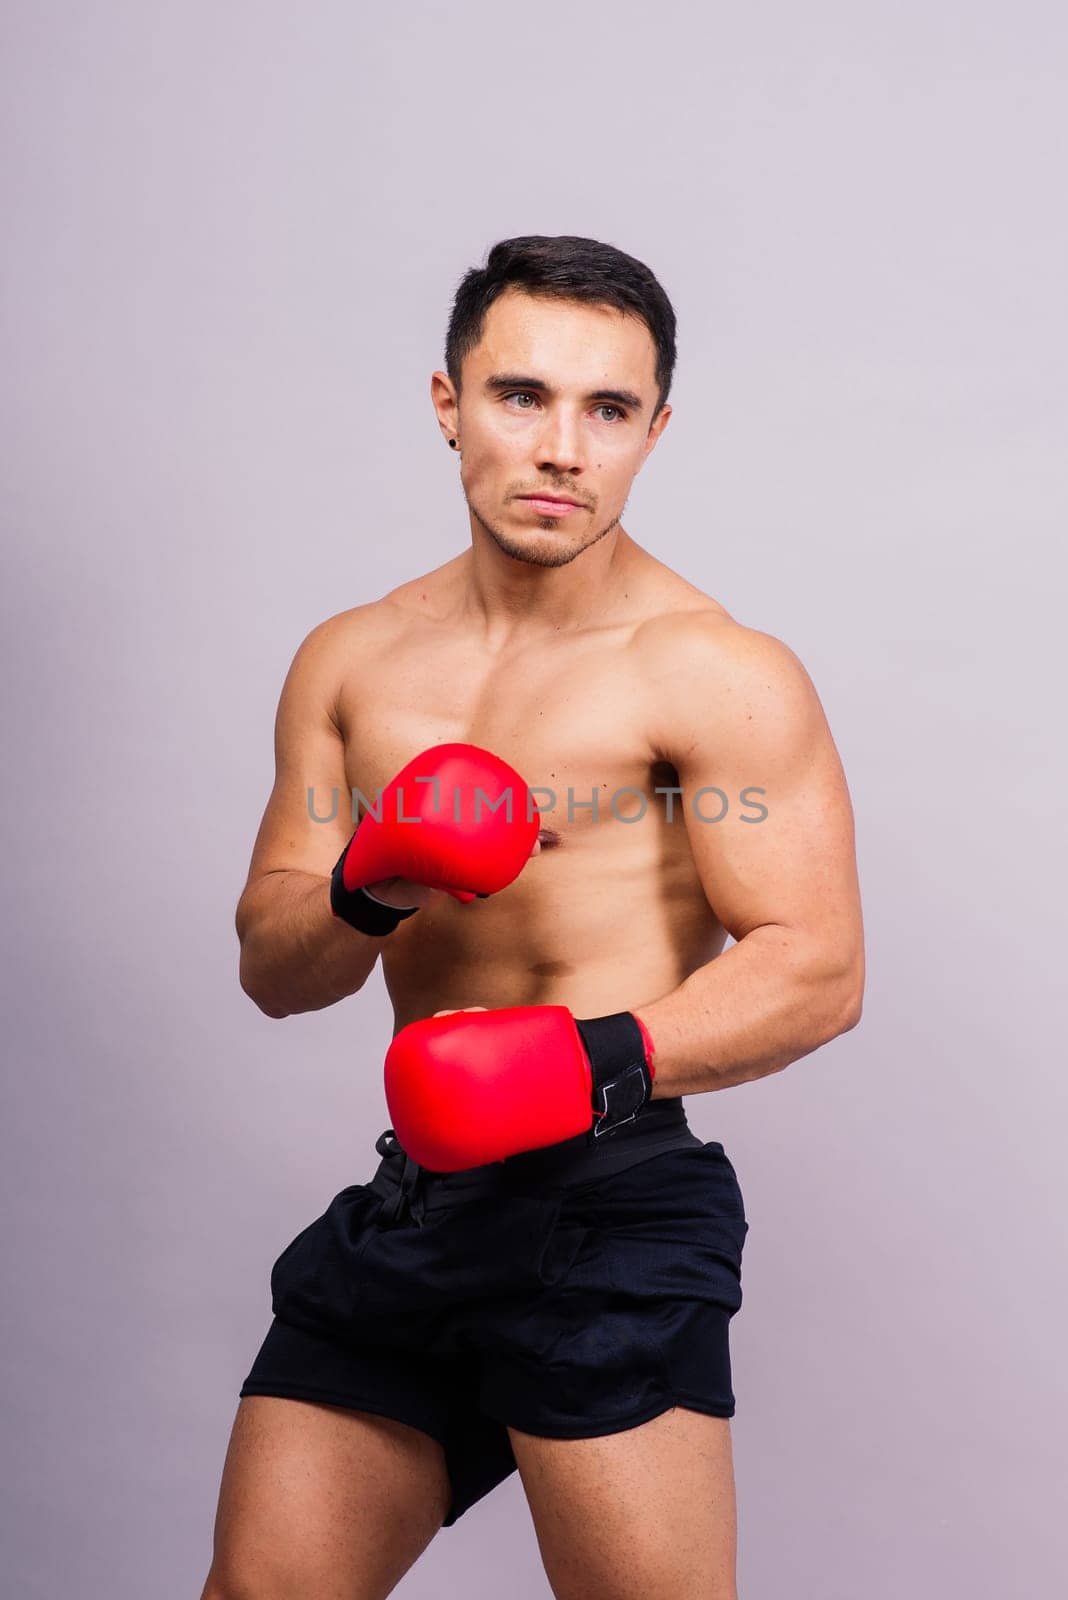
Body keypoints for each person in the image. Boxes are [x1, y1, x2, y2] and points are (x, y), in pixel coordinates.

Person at [200, 234, 865, 1600]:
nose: (563, 447)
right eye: (522, 396)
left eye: (608, 410)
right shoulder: (353, 658)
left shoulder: (716, 671)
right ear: (448, 404)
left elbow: (818, 970)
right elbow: (275, 965)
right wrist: (368, 880)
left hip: (609, 1206)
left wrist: (582, 1061)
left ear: (655, 431)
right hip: (417, 1207)